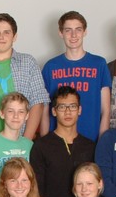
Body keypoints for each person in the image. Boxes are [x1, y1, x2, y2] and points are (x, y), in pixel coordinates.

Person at [42, 11, 111, 141]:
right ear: (61, 33)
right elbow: (44, 110)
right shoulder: (51, 66)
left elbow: (106, 111)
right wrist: (44, 143)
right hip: (57, 141)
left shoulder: (99, 64)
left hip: (91, 140)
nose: (73, 35)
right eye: (68, 30)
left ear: (85, 32)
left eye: (78, 30)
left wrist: (102, 144)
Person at [29, 86, 96, 197]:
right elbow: (37, 192)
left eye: (73, 106)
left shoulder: (90, 147)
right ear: (54, 111)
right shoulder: (41, 146)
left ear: (79, 110)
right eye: (62, 107)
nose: (68, 112)